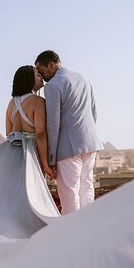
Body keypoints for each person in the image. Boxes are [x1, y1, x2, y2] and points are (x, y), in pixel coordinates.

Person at [35, 50, 103, 215]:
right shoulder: (83, 78)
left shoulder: (52, 86)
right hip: (90, 141)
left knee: (69, 191)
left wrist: (51, 158)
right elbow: (93, 112)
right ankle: (88, 226)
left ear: (51, 65)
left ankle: (70, 233)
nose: (41, 77)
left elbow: (53, 123)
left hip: (68, 147)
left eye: (41, 71)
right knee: (86, 186)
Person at [6, 65, 57, 180]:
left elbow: (8, 133)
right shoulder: (37, 101)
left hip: (13, 154)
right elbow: (40, 134)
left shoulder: (11, 103)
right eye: (38, 75)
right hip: (32, 153)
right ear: (29, 79)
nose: (42, 77)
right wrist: (45, 165)